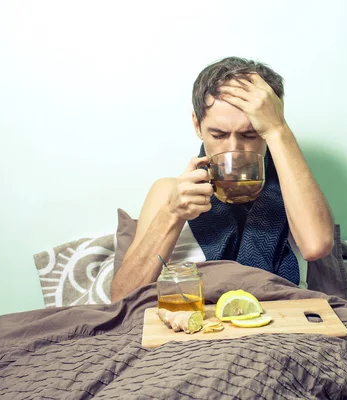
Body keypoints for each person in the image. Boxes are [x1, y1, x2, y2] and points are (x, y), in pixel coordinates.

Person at [111, 57, 334, 302]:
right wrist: (172, 214)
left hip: (280, 321)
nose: (234, 150)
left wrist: (277, 128)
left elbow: (316, 246)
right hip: (196, 326)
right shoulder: (168, 191)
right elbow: (121, 298)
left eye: (250, 134)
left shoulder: (292, 190)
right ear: (197, 125)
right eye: (218, 134)